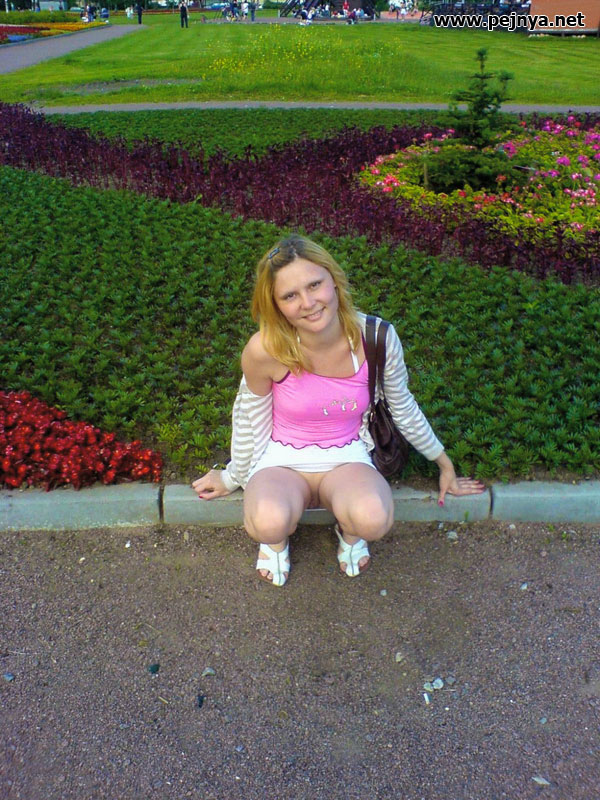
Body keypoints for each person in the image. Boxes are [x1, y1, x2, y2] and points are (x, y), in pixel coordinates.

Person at [192, 235, 485, 587]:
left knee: (373, 519)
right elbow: (248, 421)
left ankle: (350, 532)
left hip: (348, 457)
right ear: (276, 305)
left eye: (314, 285)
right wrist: (232, 477)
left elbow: (402, 405)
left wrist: (444, 464)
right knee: (267, 522)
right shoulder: (264, 349)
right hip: (281, 461)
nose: (308, 303)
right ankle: (276, 542)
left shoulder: (376, 337)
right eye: (290, 296)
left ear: (333, 279)